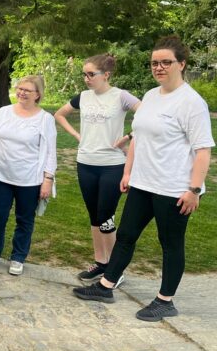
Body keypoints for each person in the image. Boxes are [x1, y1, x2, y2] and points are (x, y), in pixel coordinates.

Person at [73, 35, 214, 321]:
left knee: (170, 243)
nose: (159, 67)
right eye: (154, 63)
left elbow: (203, 151)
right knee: (125, 236)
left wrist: (193, 189)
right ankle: (106, 285)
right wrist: (127, 172)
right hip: (142, 183)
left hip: (173, 188)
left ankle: (165, 301)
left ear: (181, 64)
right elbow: (137, 136)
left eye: (166, 62)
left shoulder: (191, 102)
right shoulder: (150, 96)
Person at [54, 54, 140, 284]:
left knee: (106, 216)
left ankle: (114, 269)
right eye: (84, 74)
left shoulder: (120, 96)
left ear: (106, 75)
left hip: (112, 165)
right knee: (94, 215)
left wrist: (128, 136)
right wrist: (76, 135)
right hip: (86, 163)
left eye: (91, 74)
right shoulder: (83, 97)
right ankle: (100, 262)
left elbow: (147, 114)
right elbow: (59, 114)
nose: (86, 78)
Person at [0, 75, 57, 276]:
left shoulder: (45, 119)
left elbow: (50, 152)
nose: (21, 93)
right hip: (2, 175)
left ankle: (18, 257)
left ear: (37, 94)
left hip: (30, 179)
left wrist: (47, 180)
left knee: (25, 219)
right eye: (19, 88)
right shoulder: (4, 112)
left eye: (27, 90)